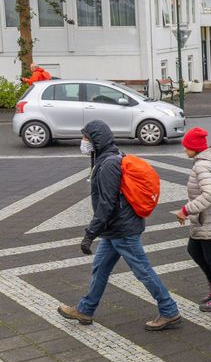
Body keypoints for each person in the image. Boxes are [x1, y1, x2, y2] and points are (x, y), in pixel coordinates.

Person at [57, 120, 181, 331]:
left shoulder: (107, 165)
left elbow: (106, 204)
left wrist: (89, 234)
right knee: (100, 268)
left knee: (142, 270)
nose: (83, 142)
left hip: (122, 230)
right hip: (115, 229)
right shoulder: (109, 158)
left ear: (96, 140)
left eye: (86, 138)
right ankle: (86, 309)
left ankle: (169, 310)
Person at [177, 127, 211, 312]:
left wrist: (186, 209)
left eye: (187, 146)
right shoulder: (204, 163)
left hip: (210, 219)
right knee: (194, 250)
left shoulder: (203, 166)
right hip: (205, 218)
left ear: (194, 147)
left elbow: (210, 193)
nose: (185, 150)